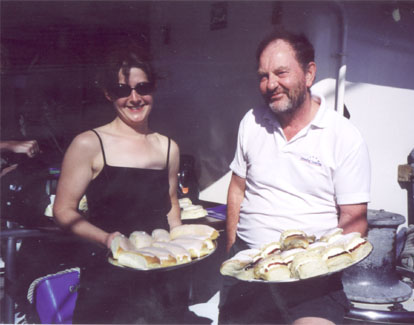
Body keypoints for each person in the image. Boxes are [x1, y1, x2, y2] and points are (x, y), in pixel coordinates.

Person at [219, 30, 371, 325]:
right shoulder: (251, 122)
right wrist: (231, 253)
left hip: (312, 279)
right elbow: (237, 189)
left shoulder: (344, 136)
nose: (270, 84)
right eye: (263, 75)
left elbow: (354, 218)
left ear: (309, 73)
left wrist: (319, 265)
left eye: (281, 73)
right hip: (249, 270)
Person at [53, 46, 187, 324]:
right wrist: (107, 239)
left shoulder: (168, 148)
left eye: (143, 87)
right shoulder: (88, 143)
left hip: (158, 276)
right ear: (108, 94)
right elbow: (63, 211)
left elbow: (171, 204)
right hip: (107, 280)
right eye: (122, 90)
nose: (134, 98)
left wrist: (183, 244)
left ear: (154, 89)